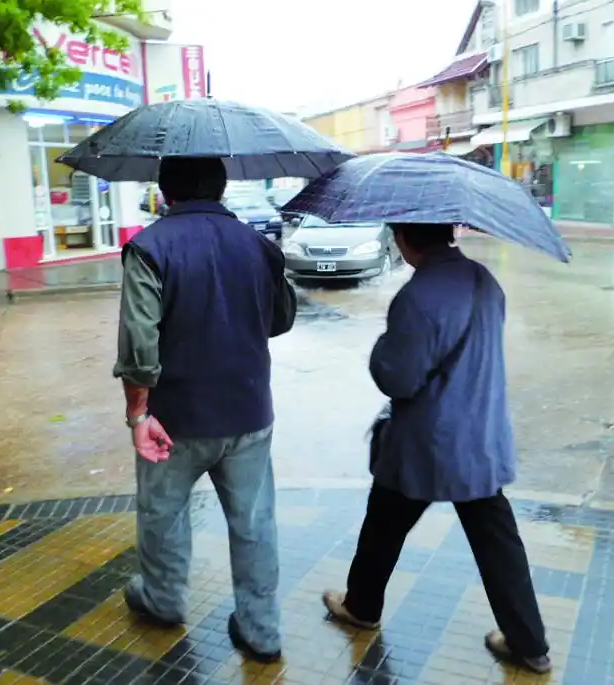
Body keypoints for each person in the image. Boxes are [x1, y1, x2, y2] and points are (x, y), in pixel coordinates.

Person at [320, 223, 551, 674]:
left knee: (383, 523)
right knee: (498, 542)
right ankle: (529, 644)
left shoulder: (419, 296)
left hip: (427, 444)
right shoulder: (484, 280)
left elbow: (398, 377)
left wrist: (380, 351)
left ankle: (362, 607)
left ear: (406, 239)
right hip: (481, 439)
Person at [112, 157, 296, 663]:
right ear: (221, 188)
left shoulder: (149, 248)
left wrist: (138, 415)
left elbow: (138, 346)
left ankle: (163, 599)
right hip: (249, 413)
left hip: (174, 419)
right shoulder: (261, 246)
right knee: (255, 522)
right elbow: (280, 321)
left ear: (164, 190)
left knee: (163, 514)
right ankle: (261, 630)